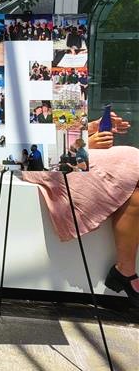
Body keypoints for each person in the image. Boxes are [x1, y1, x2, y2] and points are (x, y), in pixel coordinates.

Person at [22, 111, 139, 306]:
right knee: (131, 157)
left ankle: (124, 270)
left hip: (66, 151)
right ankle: (124, 271)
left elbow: (55, 127)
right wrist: (83, 145)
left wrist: (91, 128)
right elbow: (21, 147)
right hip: (40, 164)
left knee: (135, 190)